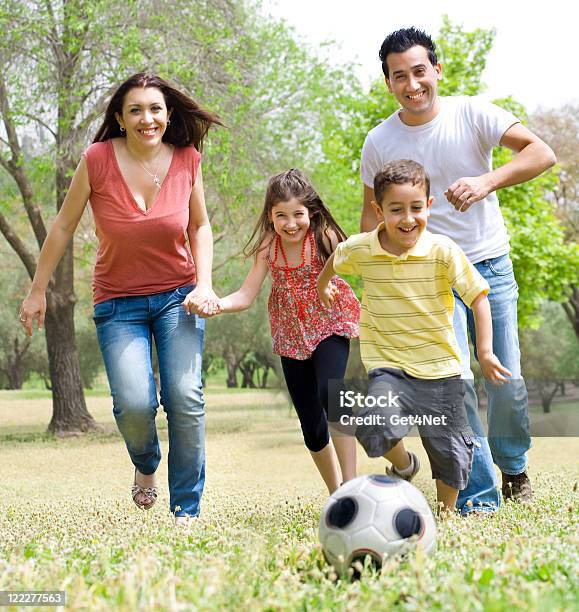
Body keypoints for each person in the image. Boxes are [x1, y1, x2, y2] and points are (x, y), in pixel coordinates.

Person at [359, 28, 556, 510]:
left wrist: (488, 181)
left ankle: (513, 466)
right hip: (426, 280)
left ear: (437, 70)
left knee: (504, 378)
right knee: (454, 384)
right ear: (388, 83)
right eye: (399, 76)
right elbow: (370, 216)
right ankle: (479, 492)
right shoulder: (379, 140)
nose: (412, 84)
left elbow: (541, 153)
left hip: (489, 265)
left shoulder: (473, 113)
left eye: (419, 72)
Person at [19, 73, 223, 526]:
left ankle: (185, 513)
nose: (147, 118)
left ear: (168, 115)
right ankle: (146, 462)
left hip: (177, 296)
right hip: (118, 303)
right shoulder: (97, 159)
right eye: (136, 110)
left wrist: (204, 284)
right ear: (120, 117)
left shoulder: (188, 159)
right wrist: (37, 290)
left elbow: (200, 226)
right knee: (134, 405)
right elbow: (63, 227)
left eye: (155, 109)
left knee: (185, 398)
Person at [318, 159, 511, 512]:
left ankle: (447, 515)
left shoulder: (443, 251)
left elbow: (479, 297)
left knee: (450, 451)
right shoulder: (364, 248)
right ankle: (405, 465)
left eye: (416, 208)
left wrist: (484, 352)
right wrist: (323, 284)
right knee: (374, 427)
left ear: (429, 206)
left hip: (440, 369)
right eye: (396, 210)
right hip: (388, 365)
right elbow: (336, 257)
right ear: (379, 210)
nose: (408, 218)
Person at [203, 169, 360, 493]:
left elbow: (360, 265)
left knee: (331, 396)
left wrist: (331, 284)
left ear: (311, 212)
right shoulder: (268, 246)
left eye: (298, 214)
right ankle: (337, 495)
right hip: (290, 337)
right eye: (281, 216)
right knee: (311, 427)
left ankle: (353, 485)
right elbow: (247, 294)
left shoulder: (325, 236)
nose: (291, 224)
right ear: (270, 216)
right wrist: (218, 304)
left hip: (330, 324)